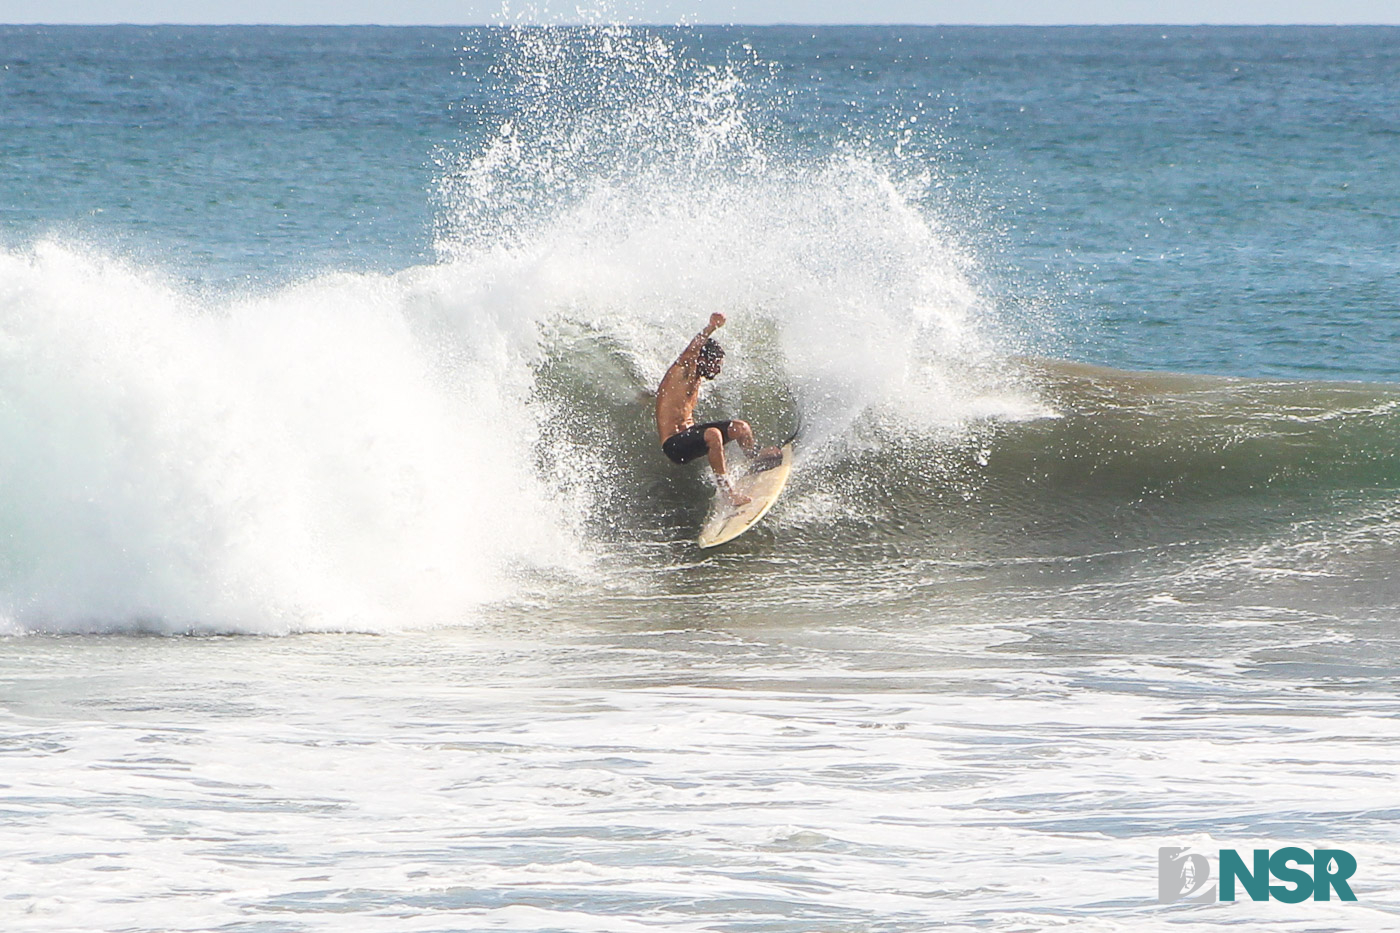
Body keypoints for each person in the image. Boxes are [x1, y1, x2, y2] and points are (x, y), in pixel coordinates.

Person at [656, 312, 776, 506]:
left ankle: (754, 458)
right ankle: (728, 493)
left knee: (741, 427)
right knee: (713, 434)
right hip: (674, 445)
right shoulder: (684, 370)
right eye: (716, 364)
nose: (718, 370)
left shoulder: (695, 379)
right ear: (702, 359)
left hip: (690, 433)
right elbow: (691, 351)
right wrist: (711, 327)